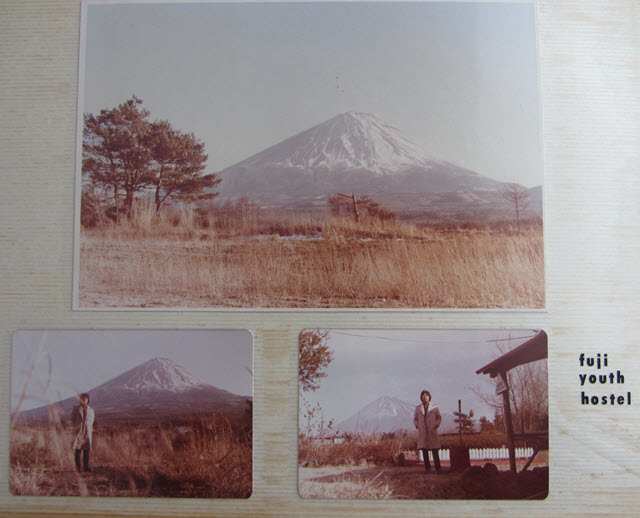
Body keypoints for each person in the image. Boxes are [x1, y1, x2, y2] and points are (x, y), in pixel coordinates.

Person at [413, 389, 442, 473]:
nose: (425, 397)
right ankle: (427, 468)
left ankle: (438, 468)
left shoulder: (435, 407)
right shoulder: (418, 408)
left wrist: (436, 425)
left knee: (434, 449)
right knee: (424, 450)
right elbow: (415, 419)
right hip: (423, 431)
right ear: (421, 397)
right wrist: (418, 426)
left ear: (429, 397)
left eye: (426, 395)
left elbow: (439, 417)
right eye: (423, 395)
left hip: (432, 430)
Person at [71, 393, 95, 473]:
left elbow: (92, 421)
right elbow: (72, 419)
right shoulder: (76, 409)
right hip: (78, 431)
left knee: (86, 450)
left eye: (85, 399)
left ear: (88, 400)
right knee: (78, 450)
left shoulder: (91, 410)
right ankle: (78, 469)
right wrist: (76, 427)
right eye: (82, 399)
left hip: (87, 432)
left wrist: (89, 428)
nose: (83, 401)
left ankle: (86, 467)